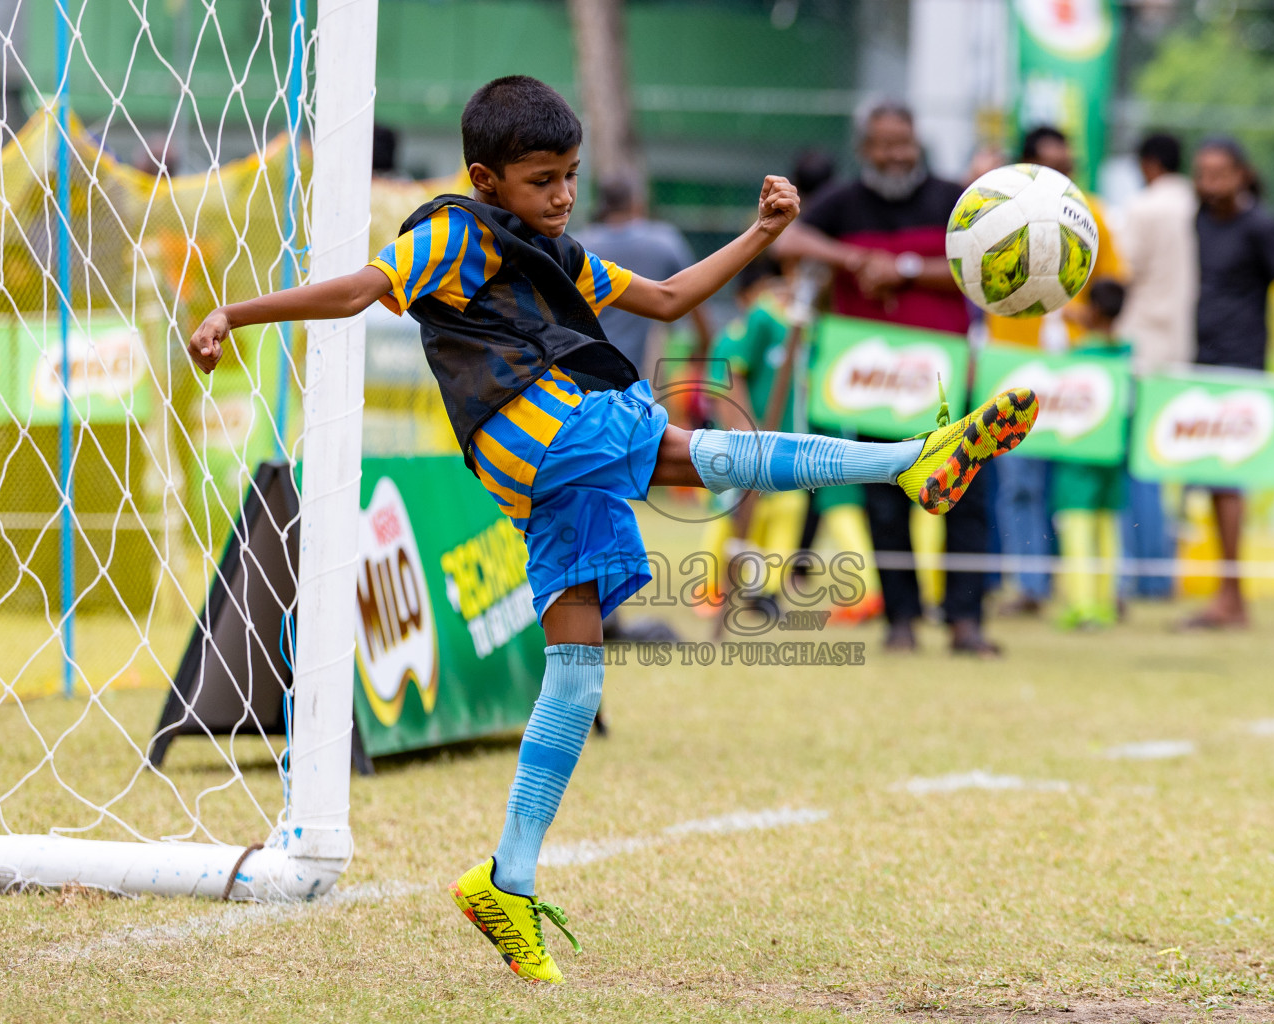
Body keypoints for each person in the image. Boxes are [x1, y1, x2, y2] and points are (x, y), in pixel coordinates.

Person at [184, 76, 1039, 983]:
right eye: (542, 179)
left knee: (577, 673)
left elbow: (668, 299)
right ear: (486, 177)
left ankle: (505, 880)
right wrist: (236, 312)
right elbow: (361, 288)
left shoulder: (550, 248)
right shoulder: (451, 232)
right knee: (694, 453)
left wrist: (761, 235)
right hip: (538, 427)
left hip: (550, 461)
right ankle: (911, 460)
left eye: (571, 176)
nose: (562, 196)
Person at [770, 99, 1002, 655]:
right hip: (875, 384)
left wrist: (902, 271)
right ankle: (901, 618)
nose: (895, 154)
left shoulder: (952, 199)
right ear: (864, 149)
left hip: (948, 377)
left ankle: (965, 619)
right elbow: (786, 240)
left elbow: (984, 266)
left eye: (903, 142)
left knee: (966, 496)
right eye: (883, 144)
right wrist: (854, 262)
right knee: (886, 501)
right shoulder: (844, 203)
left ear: (916, 142)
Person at [986, 126, 1127, 617]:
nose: (1063, 177)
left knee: (1073, 489)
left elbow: (1113, 288)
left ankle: (1090, 591)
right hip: (1013, 369)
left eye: (1069, 168)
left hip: (1073, 374)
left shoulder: (1093, 216)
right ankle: (1030, 586)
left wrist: (1081, 314)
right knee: (1019, 484)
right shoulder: (995, 214)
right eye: (1052, 167)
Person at [697, 258, 884, 624]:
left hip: (797, 446)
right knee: (730, 514)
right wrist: (744, 436)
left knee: (786, 515)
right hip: (750, 446)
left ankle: (765, 592)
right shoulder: (761, 320)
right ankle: (710, 588)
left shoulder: (810, 328)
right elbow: (729, 377)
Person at [1188, 137, 1274, 629]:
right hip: (1196, 361)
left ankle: (1232, 595)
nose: (1210, 183)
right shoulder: (1196, 220)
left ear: (1242, 174)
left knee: (1226, 481)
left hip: (1241, 366)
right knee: (1208, 482)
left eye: (1220, 173)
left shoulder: (1259, 225)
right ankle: (1226, 591)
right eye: (1203, 173)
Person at [1115, 131, 1194, 600]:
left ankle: (1147, 574)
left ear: (1147, 165)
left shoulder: (1144, 208)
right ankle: (1163, 572)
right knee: (1168, 461)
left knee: (1137, 463)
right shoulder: (1193, 205)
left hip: (1142, 343)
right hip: (1183, 345)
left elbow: (1125, 271)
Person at [572, 175, 713, 378]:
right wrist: (703, 351)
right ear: (636, 202)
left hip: (581, 370)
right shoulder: (663, 242)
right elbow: (697, 301)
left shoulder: (577, 246)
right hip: (641, 375)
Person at [1051, 280, 1130, 629]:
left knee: (1077, 527)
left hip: (1078, 456)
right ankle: (1105, 602)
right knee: (1107, 527)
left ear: (1093, 310)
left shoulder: (1077, 355)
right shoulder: (1128, 353)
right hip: (1113, 454)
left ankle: (1081, 604)